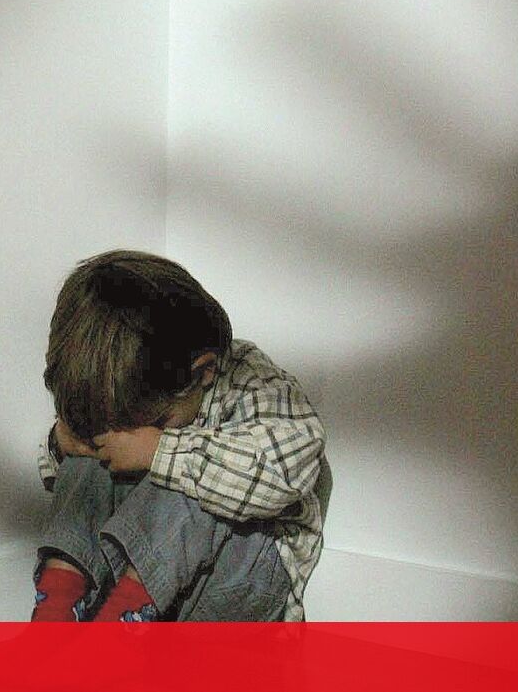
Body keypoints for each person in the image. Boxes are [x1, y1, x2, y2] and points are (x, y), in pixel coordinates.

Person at [32, 250, 328, 621]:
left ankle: (120, 629)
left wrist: (159, 449)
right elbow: (60, 478)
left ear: (203, 372)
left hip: (241, 580)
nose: (139, 438)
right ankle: (56, 612)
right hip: (154, 581)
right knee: (90, 460)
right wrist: (67, 443)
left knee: (191, 479)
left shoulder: (251, 380)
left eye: (157, 422)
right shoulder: (132, 390)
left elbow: (288, 471)